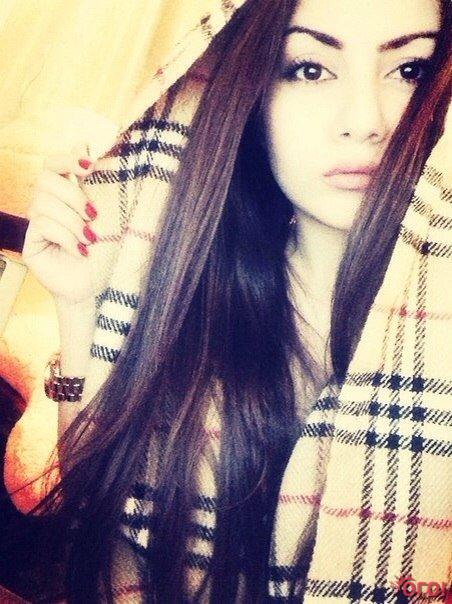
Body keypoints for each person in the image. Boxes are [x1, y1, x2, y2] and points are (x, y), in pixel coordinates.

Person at [7, 0, 450, 601]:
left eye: (410, 70)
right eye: (310, 69)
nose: (364, 120)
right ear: (252, 93)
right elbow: (96, 508)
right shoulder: (195, 288)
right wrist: (78, 305)